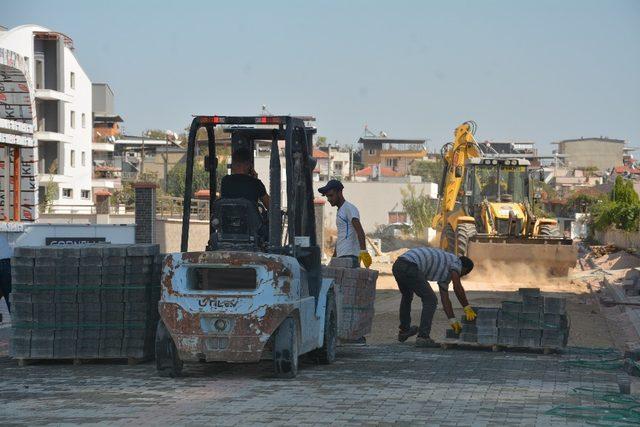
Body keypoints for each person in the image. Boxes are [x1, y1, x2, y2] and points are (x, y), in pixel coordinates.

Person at [392, 246, 475, 347]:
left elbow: (445, 299)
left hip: (398, 265)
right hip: (410, 265)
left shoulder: (446, 271)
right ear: (464, 269)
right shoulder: (457, 262)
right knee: (430, 300)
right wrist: (466, 307)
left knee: (407, 295)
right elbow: (457, 287)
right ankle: (423, 337)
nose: (460, 276)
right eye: (463, 274)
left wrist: (452, 320)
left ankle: (404, 330)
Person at [318, 179, 371, 269]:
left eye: (331, 195)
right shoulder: (340, 211)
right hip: (342, 256)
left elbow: (360, 231)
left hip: (350, 256)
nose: (329, 199)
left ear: (340, 192)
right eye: (327, 197)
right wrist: (333, 259)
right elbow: (341, 238)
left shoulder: (349, 208)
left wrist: (364, 252)